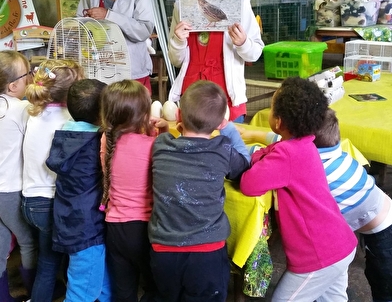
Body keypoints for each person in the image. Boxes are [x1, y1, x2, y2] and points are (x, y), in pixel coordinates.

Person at [240, 76, 357, 302]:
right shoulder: (305, 145)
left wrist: (259, 156)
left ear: (279, 121)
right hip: (339, 244)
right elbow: (264, 155)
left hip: (319, 255)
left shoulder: (286, 154)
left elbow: (249, 184)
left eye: (272, 108)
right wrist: (263, 155)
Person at [148, 80, 250, 302]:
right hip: (207, 254)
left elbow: (166, 141)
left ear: (178, 114)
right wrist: (229, 129)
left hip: (163, 251)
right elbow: (244, 164)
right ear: (219, 124)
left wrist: (166, 129)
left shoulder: (161, 144)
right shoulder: (222, 148)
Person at [168, 0, 264, 123]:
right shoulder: (182, 5)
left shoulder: (239, 2)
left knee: (227, 150)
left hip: (227, 96)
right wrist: (178, 40)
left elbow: (255, 53)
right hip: (191, 94)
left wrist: (243, 42)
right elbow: (176, 60)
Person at [99, 79, 168, 302]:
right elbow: (164, 157)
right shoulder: (153, 144)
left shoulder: (105, 141)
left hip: (115, 229)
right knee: (154, 285)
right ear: (144, 114)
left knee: (123, 290)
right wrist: (162, 131)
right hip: (145, 228)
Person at [21, 59, 84, 302]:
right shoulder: (68, 120)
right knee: (48, 265)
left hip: (28, 202)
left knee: (46, 260)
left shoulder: (34, 113)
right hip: (48, 204)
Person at [314, 108, 392, 302]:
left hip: (384, 231)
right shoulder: (336, 151)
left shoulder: (316, 163)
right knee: (377, 277)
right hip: (379, 220)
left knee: (384, 286)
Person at [46, 78, 112, 302]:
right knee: (81, 293)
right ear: (102, 113)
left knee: (100, 282)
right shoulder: (96, 143)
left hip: (70, 220)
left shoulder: (65, 135)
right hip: (88, 229)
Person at [0, 51, 37, 302]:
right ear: (14, 85)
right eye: (29, 75)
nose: (32, 78)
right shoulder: (22, 107)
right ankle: (36, 288)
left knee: (1, 245)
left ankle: (3, 295)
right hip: (10, 189)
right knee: (28, 241)